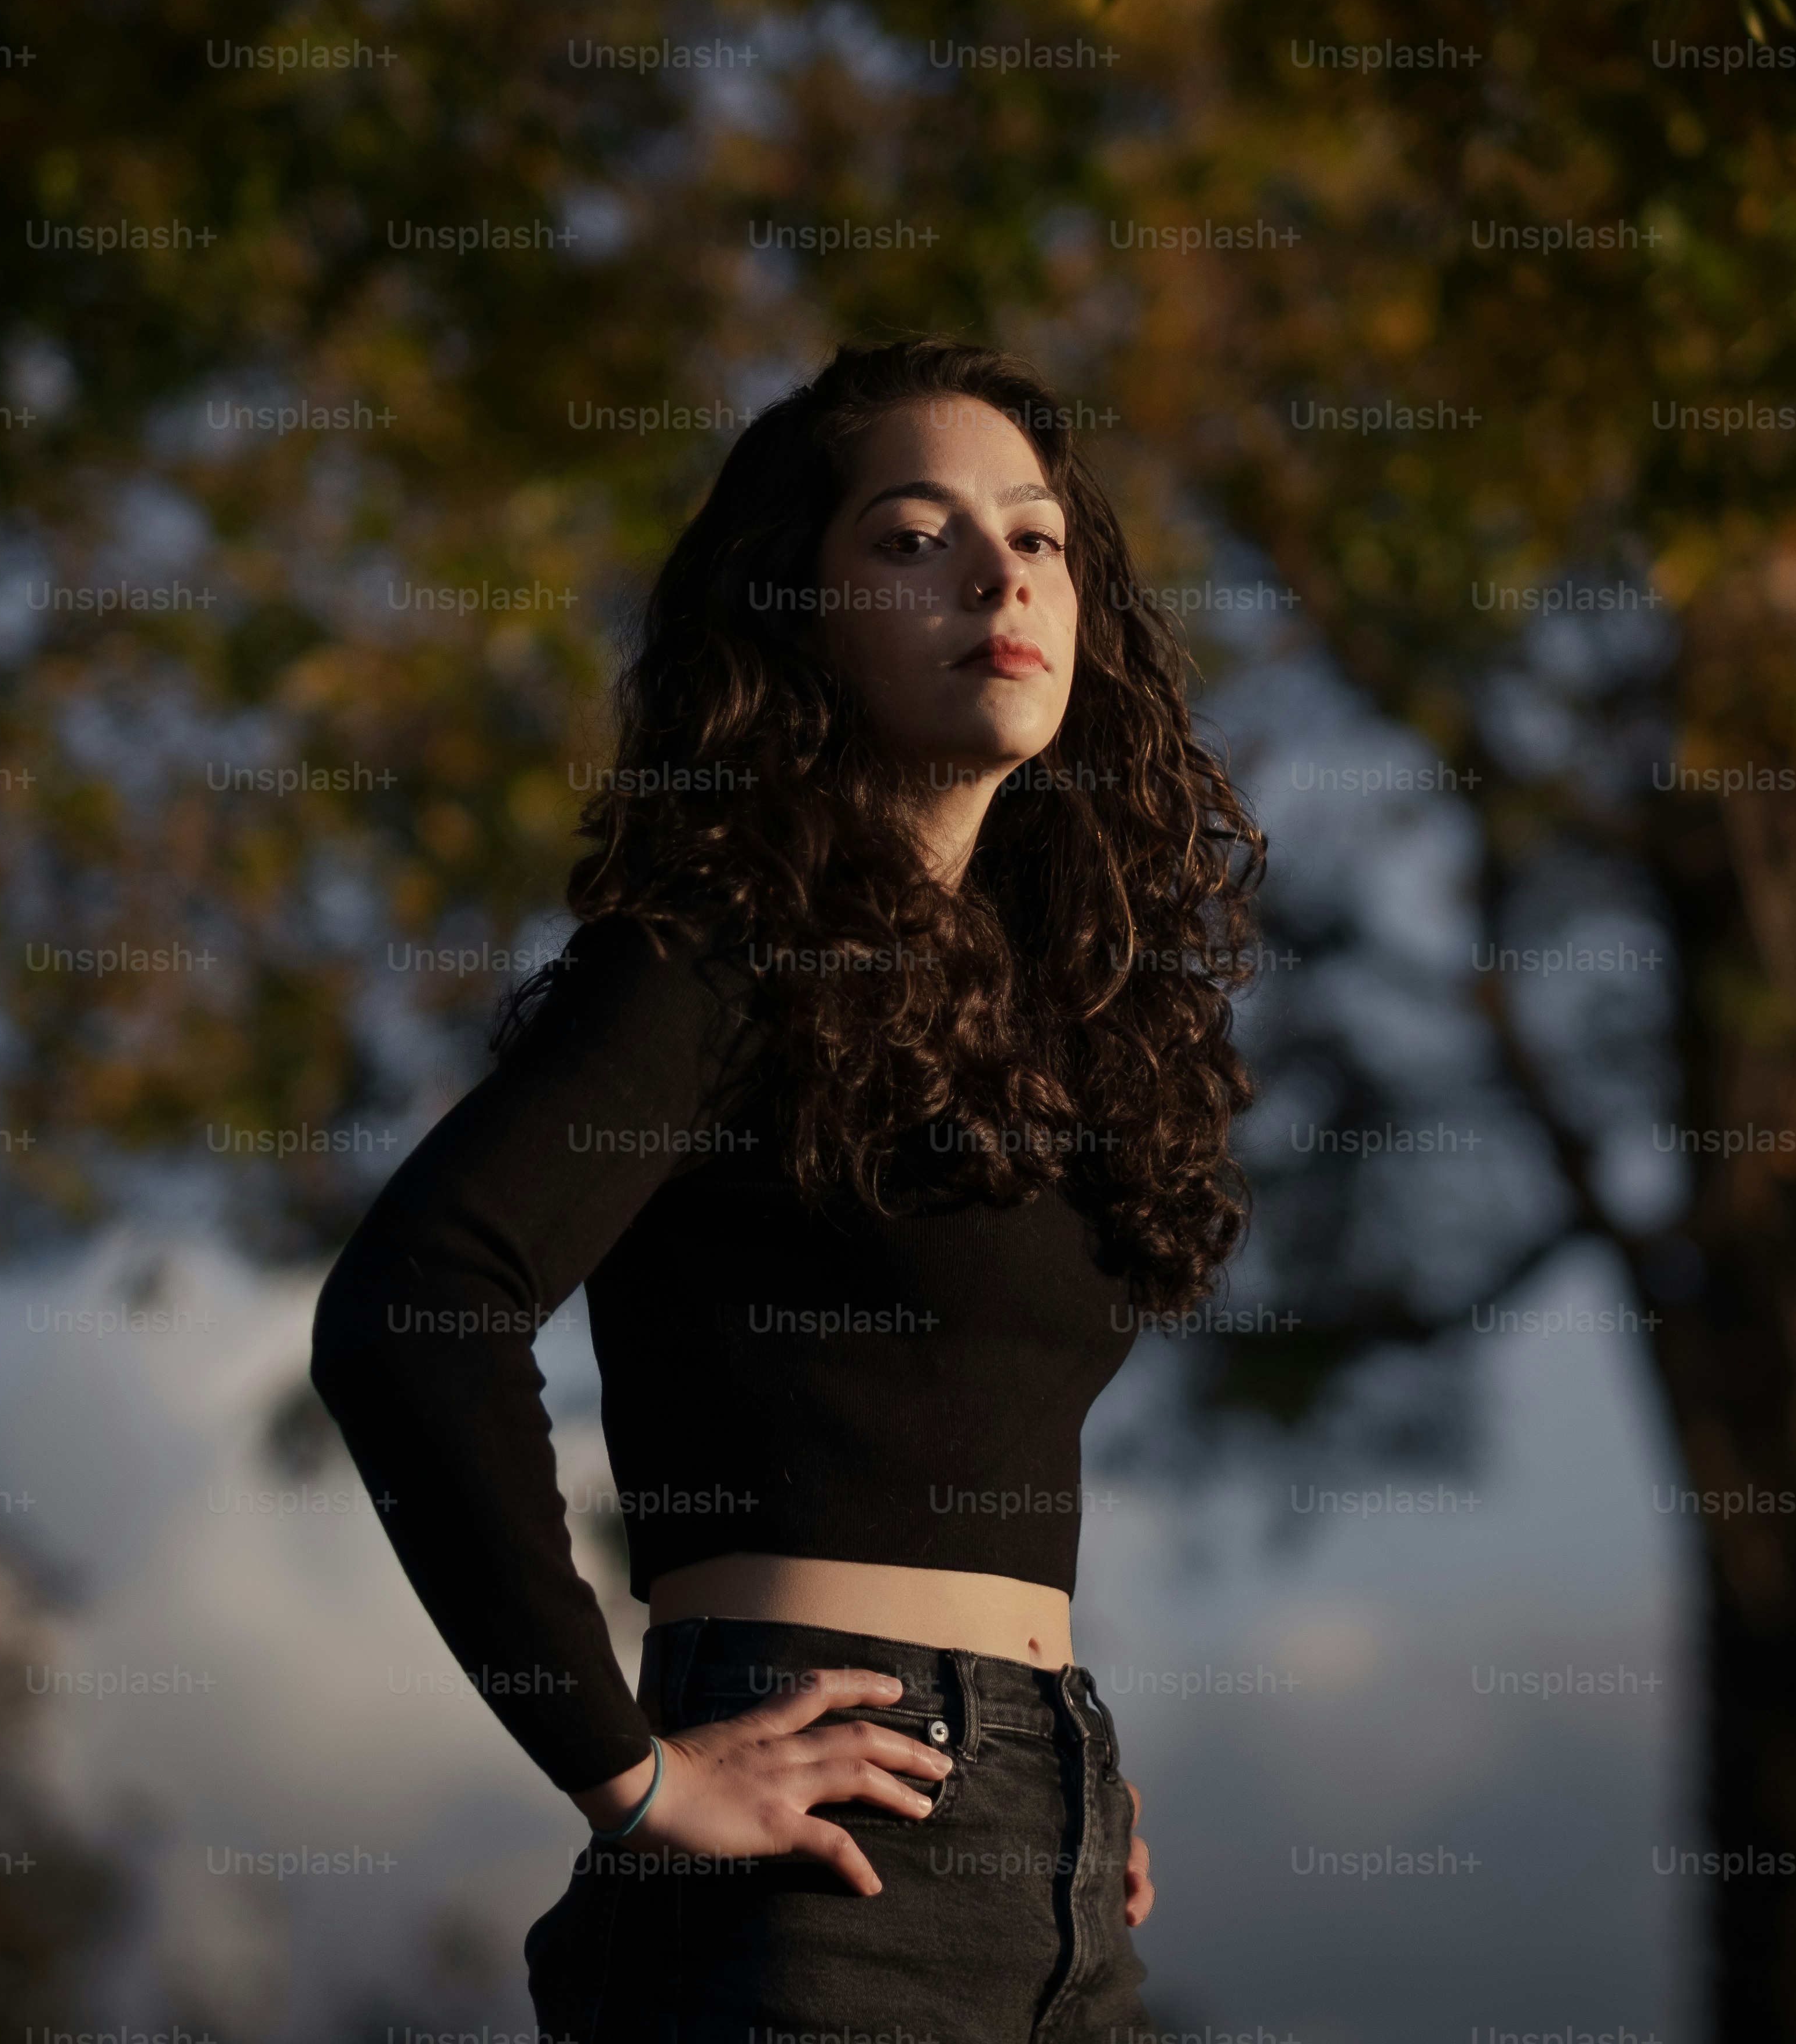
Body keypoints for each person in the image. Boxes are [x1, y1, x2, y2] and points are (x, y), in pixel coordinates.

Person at [309, 337, 1266, 2042]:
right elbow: (416, 1309)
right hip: (815, 1901)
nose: (996, 573)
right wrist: (626, 1771)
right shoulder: (714, 959)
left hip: (1056, 1871)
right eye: (912, 537)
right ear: (795, 613)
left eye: (1036, 537)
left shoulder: (1057, 1018)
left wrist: (1052, 1764)